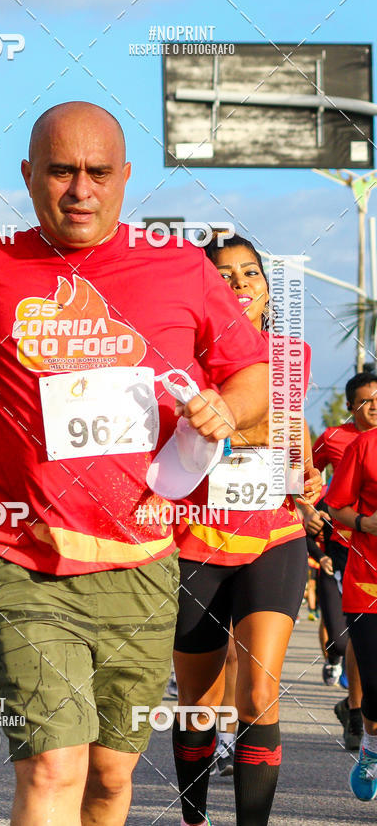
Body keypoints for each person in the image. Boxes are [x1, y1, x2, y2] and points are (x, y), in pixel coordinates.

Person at [0, 101, 271, 826]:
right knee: (51, 767)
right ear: (28, 175)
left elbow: (251, 376)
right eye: (61, 171)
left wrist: (226, 410)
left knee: (107, 777)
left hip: (141, 561)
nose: (81, 190)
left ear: (125, 177)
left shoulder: (179, 270)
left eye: (98, 172)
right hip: (21, 556)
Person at [170, 234, 321, 826]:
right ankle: (193, 816)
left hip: (274, 537)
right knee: (198, 704)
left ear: (266, 285)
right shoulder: (179, 359)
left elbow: (283, 429)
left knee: (258, 695)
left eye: (250, 273)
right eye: (225, 275)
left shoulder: (290, 353)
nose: (240, 285)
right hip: (194, 541)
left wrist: (303, 470)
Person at [312, 371, 377, 749]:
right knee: (345, 638)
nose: (373, 407)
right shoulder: (337, 439)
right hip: (346, 549)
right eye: (366, 401)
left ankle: (358, 713)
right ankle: (359, 708)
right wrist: (308, 507)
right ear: (351, 405)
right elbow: (307, 472)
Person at [325, 428, 377, 802]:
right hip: (368, 583)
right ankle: (371, 749)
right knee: (375, 684)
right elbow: (335, 504)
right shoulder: (365, 445)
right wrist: (363, 523)